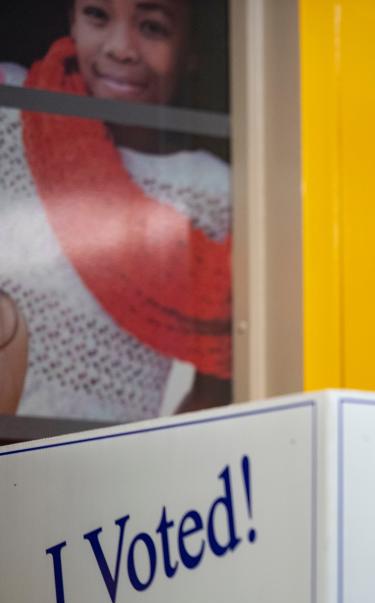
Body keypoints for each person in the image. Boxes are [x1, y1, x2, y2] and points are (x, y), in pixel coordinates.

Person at [0, 0, 231, 422]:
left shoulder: (214, 192)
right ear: (71, 20)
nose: (121, 48)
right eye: (98, 16)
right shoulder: (12, 107)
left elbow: (214, 392)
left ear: (192, 49)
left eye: (153, 27)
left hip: (116, 471)